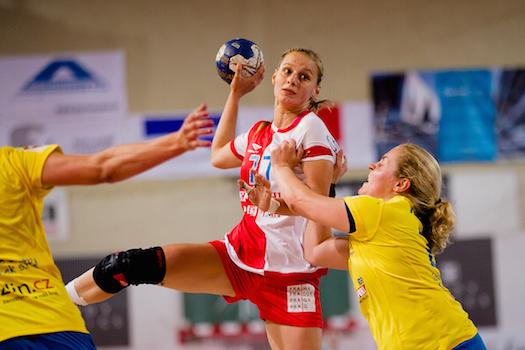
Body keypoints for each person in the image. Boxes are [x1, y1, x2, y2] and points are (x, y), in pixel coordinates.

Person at [67, 48, 339, 350]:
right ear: (274, 77)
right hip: (238, 254)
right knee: (128, 265)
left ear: (315, 90)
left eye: (304, 76)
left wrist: (274, 204)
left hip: (291, 275)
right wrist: (235, 95)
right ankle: (55, 304)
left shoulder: (310, 128)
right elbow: (218, 156)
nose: (293, 80)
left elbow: (320, 207)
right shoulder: (260, 132)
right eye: (287, 71)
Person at [0, 104, 213, 350]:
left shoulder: (13, 164)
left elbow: (103, 167)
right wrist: (177, 141)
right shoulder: (12, 163)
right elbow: (103, 167)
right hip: (55, 326)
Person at [254, 140, 487, 350]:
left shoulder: (385, 211)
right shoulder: (380, 230)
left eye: (382, 163)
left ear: (401, 184)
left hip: (448, 344)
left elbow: (302, 202)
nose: (371, 166)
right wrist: (320, 186)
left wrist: (281, 166)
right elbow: (316, 250)